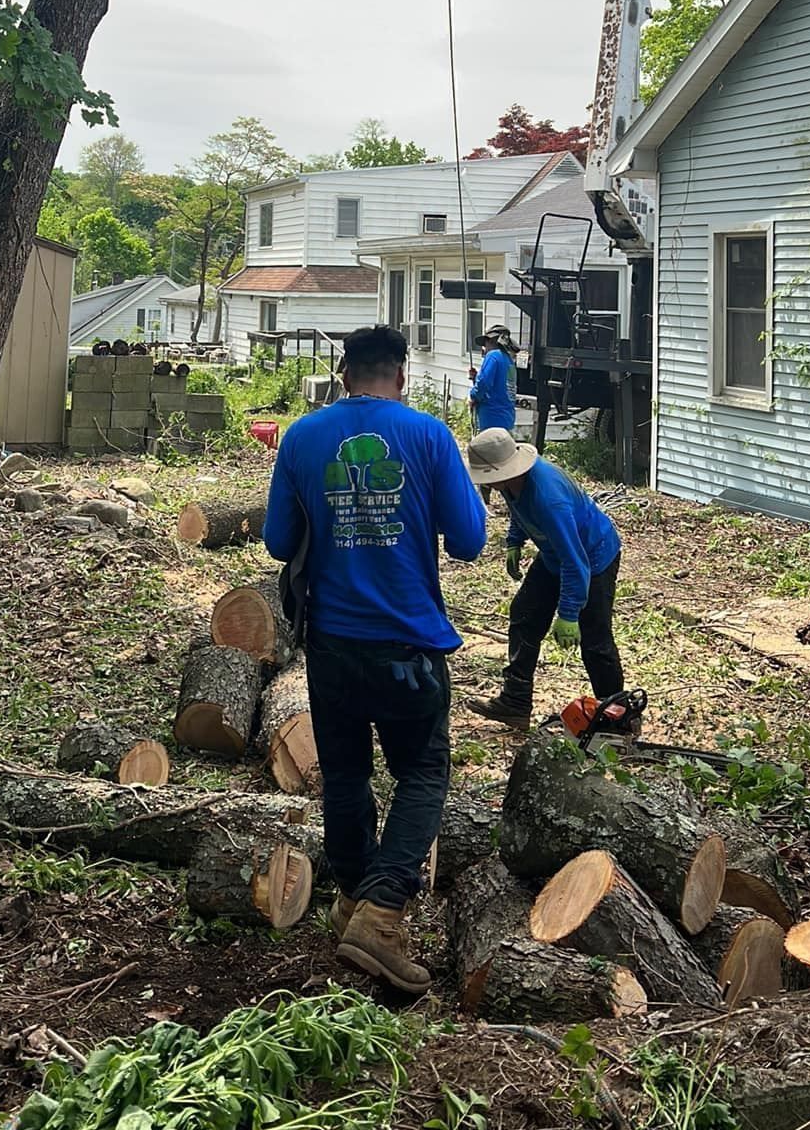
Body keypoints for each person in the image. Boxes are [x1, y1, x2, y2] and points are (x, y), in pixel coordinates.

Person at [264, 324, 487, 994]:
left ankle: (353, 903)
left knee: (347, 773)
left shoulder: (302, 437)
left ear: (343, 375)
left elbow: (279, 541)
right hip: (408, 647)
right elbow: (470, 541)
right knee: (422, 771)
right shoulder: (427, 436)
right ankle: (383, 909)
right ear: (401, 375)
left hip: (332, 644)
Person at [465, 426, 624, 726]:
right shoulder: (511, 482)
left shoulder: (549, 499)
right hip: (555, 554)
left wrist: (568, 613)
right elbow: (520, 510)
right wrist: (514, 541)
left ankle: (617, 716)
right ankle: (515, 701)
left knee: (595, 639)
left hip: (593, 556)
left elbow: (576, 563)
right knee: (525, 614)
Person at [469, 327, 518, 433]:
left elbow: (483, 383)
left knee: (488, 448)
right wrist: (476, 377)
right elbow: (500, 384)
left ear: (491, 341)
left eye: (485, 344)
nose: (484, 348)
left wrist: (473, 396)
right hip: (507, 417)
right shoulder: (509, 360)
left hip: (492, 417)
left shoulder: (493, 356)